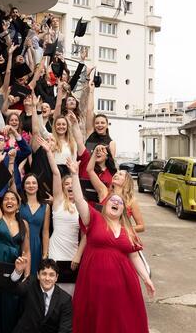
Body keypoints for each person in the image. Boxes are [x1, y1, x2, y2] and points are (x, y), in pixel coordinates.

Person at [66, 158, 155, 333]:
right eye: (113, 201)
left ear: (123, 210)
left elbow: (134, 256)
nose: (116, 202)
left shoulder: (128, 230)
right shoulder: (94, 219)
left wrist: (146, 278)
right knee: (94, 320)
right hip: (94, 284)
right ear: (106, 205)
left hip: (123, 286)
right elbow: (79, 200)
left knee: (120, 322)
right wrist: (75, 175)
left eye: (120, 203)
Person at [37, 136, 85, 296]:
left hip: (73, 254)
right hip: (56, 252)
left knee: (71, 294)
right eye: (67, 184)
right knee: (52, 292)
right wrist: (49, 152)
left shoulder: (82, 207)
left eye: (73, 184)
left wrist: (78, 255)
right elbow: (56, 174)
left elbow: (86, 234)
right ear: (63, 188)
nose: (70, 186)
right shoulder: (57, 202)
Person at [0, 189, 31, 333]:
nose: (9, 201)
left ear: (18, 205)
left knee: (11, 307)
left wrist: (26, 276)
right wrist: (3, 170)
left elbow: (26, 251)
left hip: (14, 269)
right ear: (1, 204)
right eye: (6, 199)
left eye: (13, 199)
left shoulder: (24, 224)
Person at [86, 145, 145, 232]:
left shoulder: (131, 201)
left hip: (120, 238)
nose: (116, 175)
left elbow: (141, 226)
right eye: (116, 174)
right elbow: (90, 170)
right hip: (101, 234)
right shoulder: (104, 192)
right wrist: (95, 151)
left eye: (120, 174)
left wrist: (123, 230)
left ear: (126, 181)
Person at [8, 257, 72, 333]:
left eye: (51, 275)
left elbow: (65, 329)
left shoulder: (65, 299)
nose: (47, 278)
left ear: (56, 278)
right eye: (44, 274)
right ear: (38, 275)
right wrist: (17, 272)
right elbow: (15, 289)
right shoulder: (31, 283)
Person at [19, 173, 50, 275]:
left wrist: (45, 254)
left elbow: (45, 231)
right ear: (23, 186)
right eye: (27, 183)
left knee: (33, 277)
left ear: (38, 186)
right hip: (20, 243)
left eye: (34, 183)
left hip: (36, 245)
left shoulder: (45, 206)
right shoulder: (19, 203)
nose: (31, 185)